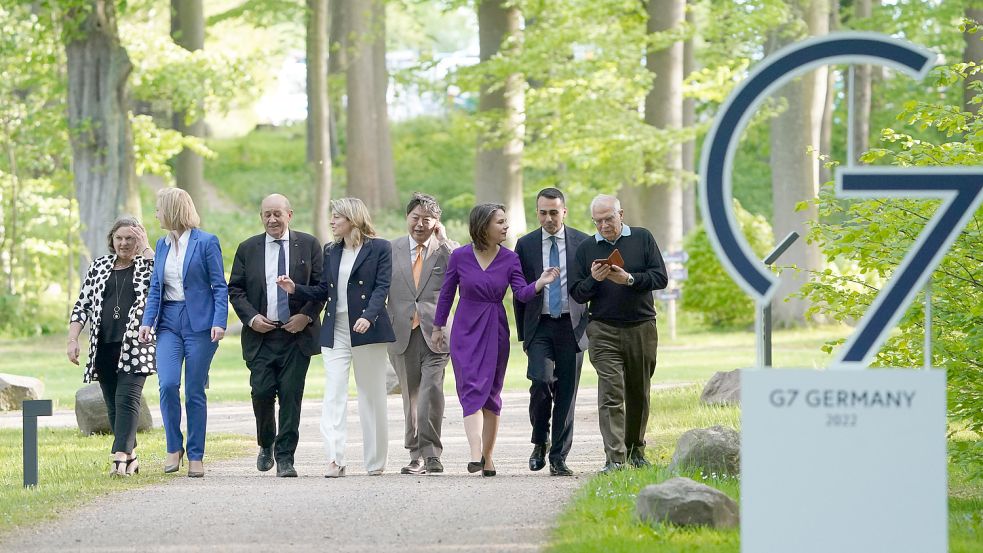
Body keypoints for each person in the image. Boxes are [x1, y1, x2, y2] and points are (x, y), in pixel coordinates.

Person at [432, 203, 559, 477]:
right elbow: (446, 294)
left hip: (495, 329)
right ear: (483, 226)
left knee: (491, 394)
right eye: (500, 222)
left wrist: (540, 282)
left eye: (505, 221)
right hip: (465, 328)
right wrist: (437, 326)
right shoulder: (460, 256)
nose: (506, 226)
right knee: (470, 390)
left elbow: (522, 294)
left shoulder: (510, 259)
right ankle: (474, 453)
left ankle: (488, 458)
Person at [277, 198, 395, 478]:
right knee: (334, 393)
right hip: (336, 328)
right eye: (331, 217)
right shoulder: (331, 251)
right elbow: (324, 291)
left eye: (337, 217)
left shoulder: (380, 248)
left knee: (372, 394)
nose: (331, 222)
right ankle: (334, 458)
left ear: (353, 219)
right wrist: (296, 289)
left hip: (369, 327)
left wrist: (368, 315)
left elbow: (382, 287)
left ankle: (375, 460)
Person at [569, 194, 667, 474]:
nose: (604, 225)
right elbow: (577, 292)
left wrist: (630, 279)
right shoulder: (587, 248)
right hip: (603, 329)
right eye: (597, 221)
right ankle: (615, 458)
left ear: (621, 214)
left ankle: (636, 450)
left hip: (641, 326)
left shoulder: (642, 238)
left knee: (638, 392)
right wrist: (594, 279)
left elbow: (660, 277)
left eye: (608, 219)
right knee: (611, 392)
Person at [228, 194, 324, 478]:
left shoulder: (308, 245)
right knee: (261, 392)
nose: (272, 219)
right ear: (261, 217)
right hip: (261, 336)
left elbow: (321, 287)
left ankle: (285, 458)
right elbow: (236, 289)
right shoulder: (248, 248)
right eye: (267, 214)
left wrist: (305, 316)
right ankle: (266, 443)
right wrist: (252, 318)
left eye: (277, 214)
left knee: (291, 396)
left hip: (297, 336)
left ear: (289, 215)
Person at [139, 187, 228, 478]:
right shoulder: (162, 245)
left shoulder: (206, 242)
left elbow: (219, 286)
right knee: (166, 385)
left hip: (200, 324)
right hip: (168, 323)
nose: (155, 213)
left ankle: (196, 455)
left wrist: (220, 321)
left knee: (193, 391)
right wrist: (147, 321)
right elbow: (156, 288)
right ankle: (173, 447)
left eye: (158, 208)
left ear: (173, 210)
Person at [68, 216, 155, 477]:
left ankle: (118, 457)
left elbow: (161, 281)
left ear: (139, 240)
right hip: (104, 346)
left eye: (130, 238)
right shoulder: (99, 266)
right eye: (119, 238)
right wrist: (72, 339)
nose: (124, 243)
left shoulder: (147, 265)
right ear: (112, 240)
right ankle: (132, 456)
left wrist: (147, 245)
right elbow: (81, 306)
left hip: (136, 345)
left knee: (127, 399)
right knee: (113, 405)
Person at [513, 188, 590, 477]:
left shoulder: (582, 243)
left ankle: (559, 457)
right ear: (537, 213)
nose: (548, 218)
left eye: (554, 212)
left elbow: (588, 287)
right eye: (543, 213)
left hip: (572, 326)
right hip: (540, 326)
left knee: (567, 393)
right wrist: (525, 334)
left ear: (564, 212)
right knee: (541, 383)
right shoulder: (526, 244)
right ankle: (539, 441)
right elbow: (518, 292)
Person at [387, 193, 459, 475]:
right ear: (407, 218)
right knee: (411, 397)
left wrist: (444, 239)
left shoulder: (444, 250)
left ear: (436, 223)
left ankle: (432, 454)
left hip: (437, 333)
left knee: (431, 391)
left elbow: (465, 267)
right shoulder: (390, 249)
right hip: (402, 332)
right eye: (415, 218)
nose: (420, 224)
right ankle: (415, 453)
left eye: (426, 219)